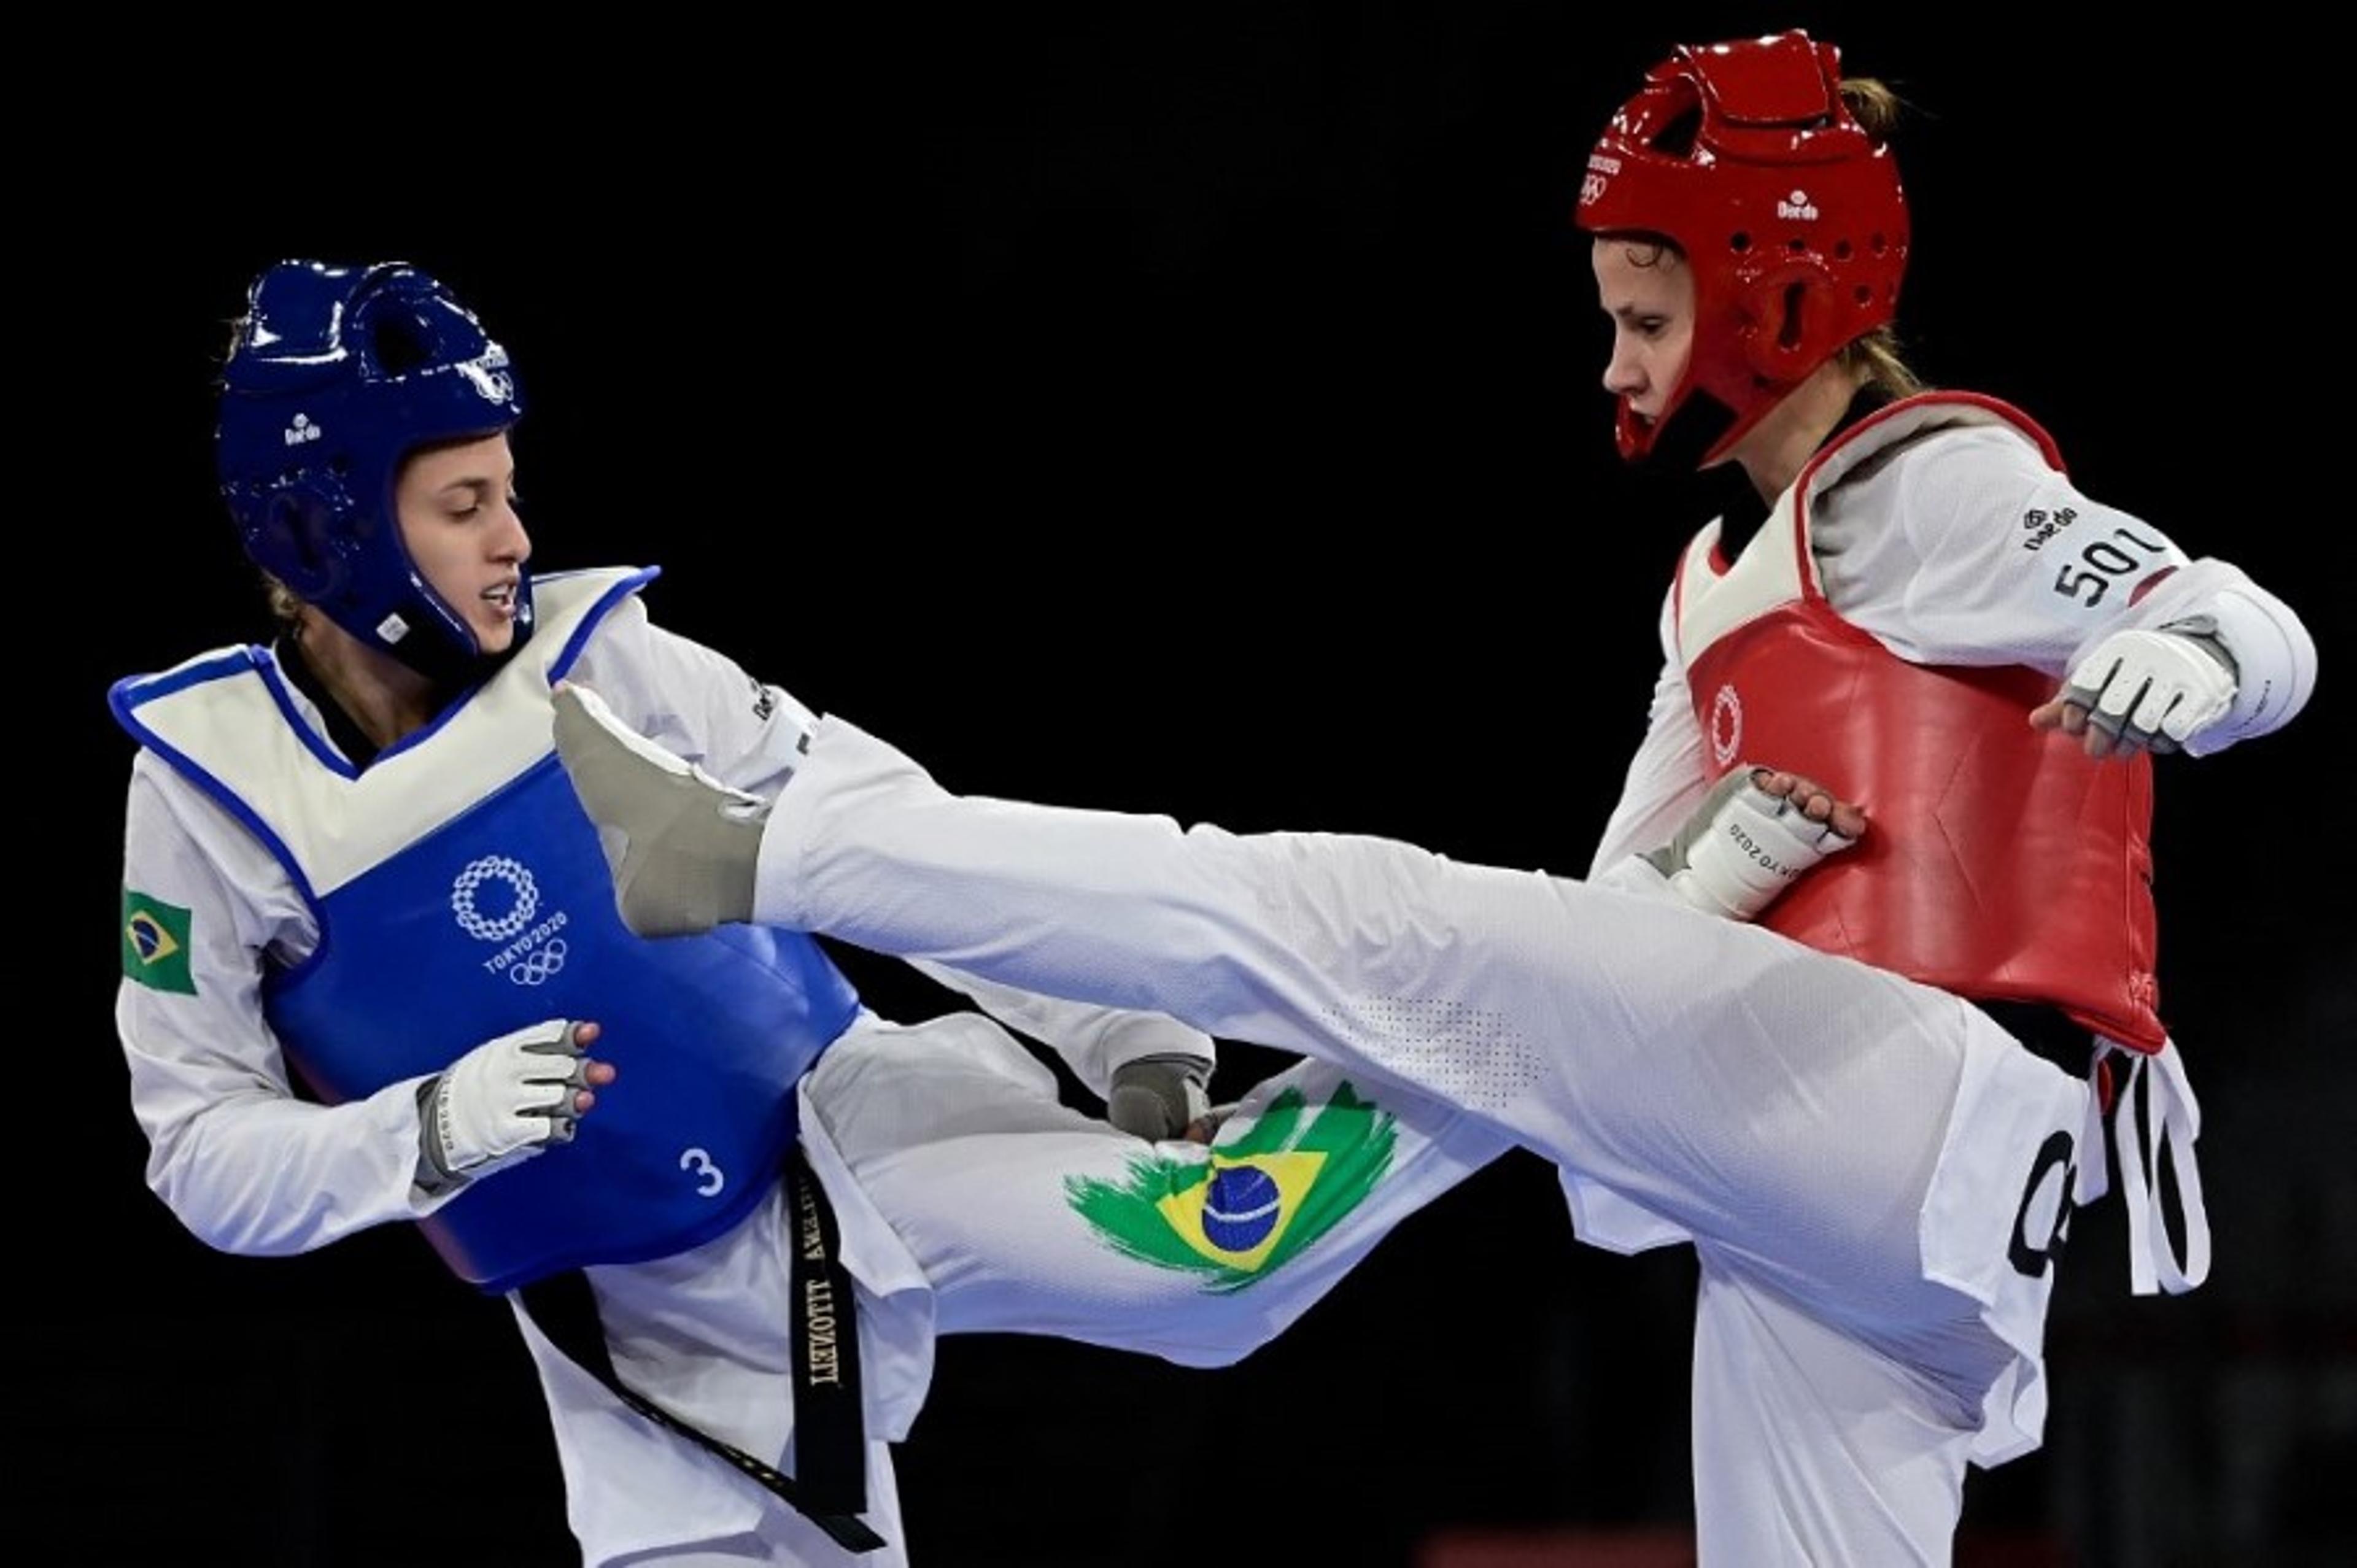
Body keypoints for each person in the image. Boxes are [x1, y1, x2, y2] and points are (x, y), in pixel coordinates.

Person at [547, 28, 2319, 1566]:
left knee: (1323, 915)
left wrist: (2210, 665)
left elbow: (2236, 612)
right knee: (1433, 1005)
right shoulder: (1720, 591)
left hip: (1916, 1102)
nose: (1617, 364)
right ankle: (1201, 1184)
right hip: (1875, 1212)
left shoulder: (1925, 481)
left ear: (1780, 286)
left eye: (1645, 314)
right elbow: (1613, 933)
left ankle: (759, 849)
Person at [109, 257, 1565, 1567]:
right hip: (633, 1337)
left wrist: (1114, 1016)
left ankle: (1551, 995)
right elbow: (202, 1156)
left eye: (508, 489)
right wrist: (417, 1135)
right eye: (464, 504)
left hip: (840, 1132)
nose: (513, 537)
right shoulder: (212, 795)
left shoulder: (609, 668)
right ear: (334, 525)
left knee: (1216, 1252)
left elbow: (892, 841)